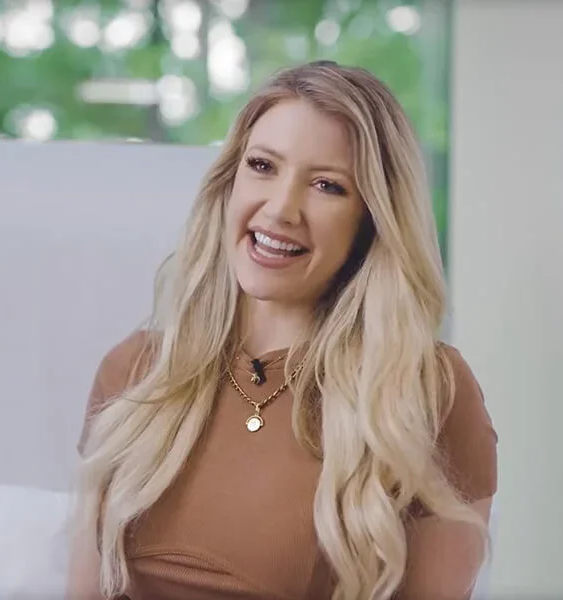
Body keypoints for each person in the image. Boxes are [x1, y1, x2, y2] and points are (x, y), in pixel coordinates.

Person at [66, 60, 497, 600]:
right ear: (229, 182)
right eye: (263, 166)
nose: (281, 209)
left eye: (326, 185)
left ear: (371, 220)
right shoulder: (135, 371)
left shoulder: (426, 390)